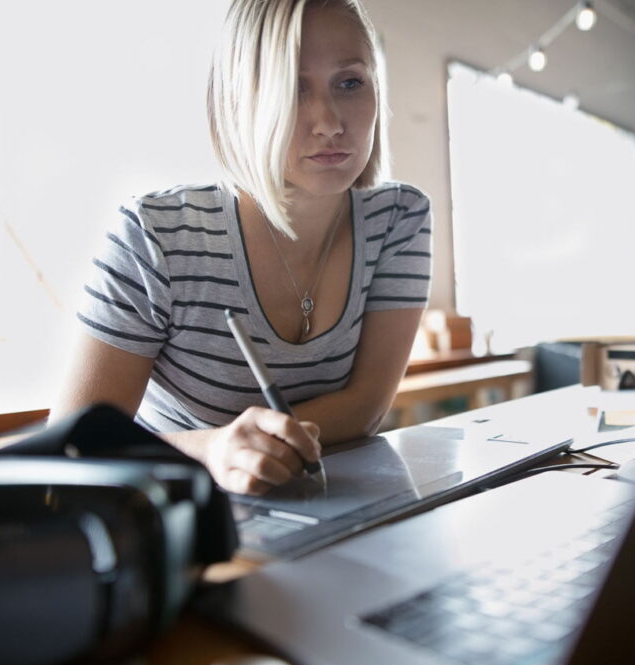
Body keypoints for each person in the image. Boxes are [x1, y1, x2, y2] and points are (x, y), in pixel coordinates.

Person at [52, 0, 431, 496]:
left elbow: (366, 406)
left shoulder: (399, 217)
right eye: (292, 87)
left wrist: (268, 445)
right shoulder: (155, 234)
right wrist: (213, 450)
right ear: (240, 101)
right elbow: (75, 446)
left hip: (323, 503)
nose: (329, 121)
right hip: (177, 516)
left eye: (350, 82)